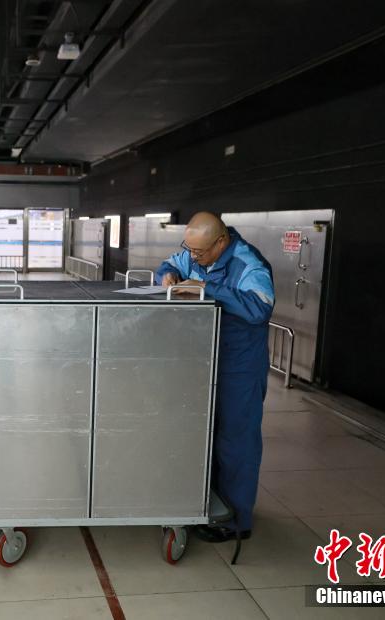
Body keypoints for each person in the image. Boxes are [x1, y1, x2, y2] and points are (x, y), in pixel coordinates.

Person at [155, 211, 274, 542]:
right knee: (201, 433)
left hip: (239, 365)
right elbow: (170, 265)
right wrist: (166, 277)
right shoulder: (197, 251)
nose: (194, 257)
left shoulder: (248, 263)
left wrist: (207, 287)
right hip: (201, 358)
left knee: (235, 440)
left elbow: (260, 307)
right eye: (190, 250)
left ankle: (235, 521)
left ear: (221, 241)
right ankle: (201, 504)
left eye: (200, 252)